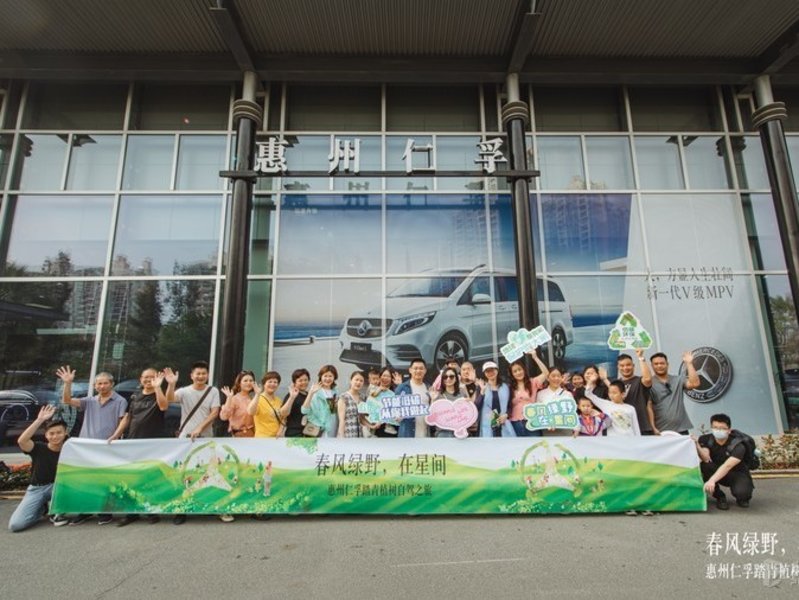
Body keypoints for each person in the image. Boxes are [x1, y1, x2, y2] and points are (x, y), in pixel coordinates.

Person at [56, 365, 127, 525]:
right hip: (86, 448)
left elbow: (123, 420)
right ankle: (85, 511)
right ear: (95, 386)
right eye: (98, 384)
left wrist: (115, 436)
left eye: (105, 383)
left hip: (108, 447)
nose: (101, 386)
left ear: (112, 383)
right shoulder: (89, 401)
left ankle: (105, 512)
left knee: (106, 480)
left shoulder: (120, 401)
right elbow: (67, 400)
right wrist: (68, 383)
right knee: (86, 479)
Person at [110, 368, 174, 527]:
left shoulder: (158, 393)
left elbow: (164, 406)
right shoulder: (134, 396)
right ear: (140, 379)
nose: (148, 380)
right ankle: (130, 512)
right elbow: (127, 417)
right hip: (133, 441)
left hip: (153, 443)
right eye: (145, 377)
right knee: (132, 476)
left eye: (151, 377)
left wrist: (158, 387)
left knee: (149, 477)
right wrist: (116, 435)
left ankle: (150, 510)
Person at [167, 361, 223, 525]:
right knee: (183, 473)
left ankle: (208, 506)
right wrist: (171, 384)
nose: (200, 376)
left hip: (205, 437)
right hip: (185, 438)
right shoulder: (184, 391)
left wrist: (200, 428)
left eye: (203, 373)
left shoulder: (213, 391)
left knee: (207, 472)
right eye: (197, 373)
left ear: (207, 375)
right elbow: (170, 399)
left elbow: (214, 413)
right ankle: (181, 510)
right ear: (191, 375)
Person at [8, 405, 68, 532]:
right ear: (46, 435)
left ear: (65, 433)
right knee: (16, 525)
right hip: (37, 489)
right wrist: (39, 420)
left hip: (59, 488)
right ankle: (42, 509)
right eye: (51, 433)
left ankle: (57, 511)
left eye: (59, 432)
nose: (55, 436)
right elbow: (22, 441)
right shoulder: (38, 448)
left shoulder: (70, 450)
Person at [696, 414, 754, 510]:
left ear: (729, 430)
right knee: (705, 466)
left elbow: (727, 466)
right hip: (716, 470)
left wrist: (712, 480)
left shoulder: (738, 444)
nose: (718, 430)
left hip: (736, 473)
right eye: (715, 427)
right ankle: (720, 497)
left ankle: (742, 498)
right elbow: (706, 458)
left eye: (722, 428)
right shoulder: (705, 439)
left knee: (742, 493)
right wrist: (697, 445)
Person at [648, 351, 700, 435]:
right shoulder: (649, 383)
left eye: (662, 363)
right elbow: (648, 407)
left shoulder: (678, 380)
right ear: (652, 366)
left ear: (667, 364)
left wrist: (689, 364)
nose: (659, 366)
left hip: (681, 429)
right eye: (656, 364)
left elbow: (695, 383)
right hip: (660, 431)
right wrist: (653, 427)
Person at [508, 352, 549, 437]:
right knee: (519, 448)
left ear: (524, 370)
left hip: (532, 421)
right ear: (512, 374)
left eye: (520, 369)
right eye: (515, 371)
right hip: (515, 423)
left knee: (536, 447)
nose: (518, 372)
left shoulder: (532, 382)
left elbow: (546, 373)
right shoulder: (510, 387)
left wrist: (535, 357)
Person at [614, 351, 654, 434]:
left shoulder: (639, 381)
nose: (625, 368)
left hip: (642, 428)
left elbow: (647, 379)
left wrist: (641, 357)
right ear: (618, 367)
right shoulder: (615, 384)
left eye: (628, 365)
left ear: (633, 366)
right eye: (622, 365)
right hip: (623, 430)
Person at [475, 361, 515, 438]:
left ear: (497, 370)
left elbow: (510, 405)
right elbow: (476, 407)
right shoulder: (481, 387)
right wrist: (482, 392)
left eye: (492, 370)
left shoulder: (506, 386)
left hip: (504, 423)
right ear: (485, 373)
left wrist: (506, 415)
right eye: (487, 371)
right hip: (487, 423)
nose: (490, 373)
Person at [396, 358, 431, 438]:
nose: (418, 371)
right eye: (415, 368)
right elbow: (396, 411)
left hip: (425, 434)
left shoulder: (429, 388)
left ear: (425, 371)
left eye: (421, 368)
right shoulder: (402, 388)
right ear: (410, 370)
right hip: (407, 434)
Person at [249, 371, 292, 438]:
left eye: (275, 382)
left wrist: (280, 430)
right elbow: (251, 412)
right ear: (264, 384)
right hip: (262, 438)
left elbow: (284, 417)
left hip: (276, 439)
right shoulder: (258, 399)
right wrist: (257, 394)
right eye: (270, 381)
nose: (272, 384)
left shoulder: (279, 400)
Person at [301, 364, 339, 438]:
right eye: (325, 376)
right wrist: (311, 393)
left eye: (330, 376)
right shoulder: (316, 391)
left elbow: (333, 412)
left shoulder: (335, 392)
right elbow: (304, 411)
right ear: (321, 377)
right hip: (319, 429)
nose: (328, 379)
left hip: (333, 427)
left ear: (334, 377)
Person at [431, 366, 467, 438]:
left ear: (456, 378)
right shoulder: (438, 395)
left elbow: (468, 411)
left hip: (460, 431)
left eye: (451, 376)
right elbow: (432, 416)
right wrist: (433, 400)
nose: (448, 379)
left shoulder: (462, 393)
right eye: (445, 377)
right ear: (442, 379)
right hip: (443, 432)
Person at [220, 370, 258, 437]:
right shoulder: (235, 399)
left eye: (251, 380)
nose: (248, 383)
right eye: (245, 381)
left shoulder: (254, 398)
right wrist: (229, 398)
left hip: (252, 435)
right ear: (239, 383)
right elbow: (224, 417)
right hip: (238, 435)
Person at [283, 368, 310, 437]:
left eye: (305, 380)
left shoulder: (309, 395)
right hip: (294, 433)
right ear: (294, 383)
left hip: (308, 433)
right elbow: (284, 414)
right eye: (300, 381)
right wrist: (292, 397)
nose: (303, 382)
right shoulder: (291, 395)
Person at [337, 371, 365, 438]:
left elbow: (361, 418)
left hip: (360, 434)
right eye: (356, 380)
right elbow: (341, 420)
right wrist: (341, 435)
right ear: (351, 380)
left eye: (361, 381)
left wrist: (372, 426)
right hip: (348, 434)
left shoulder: (362, 398)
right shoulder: (343, 397)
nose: (358, 382)